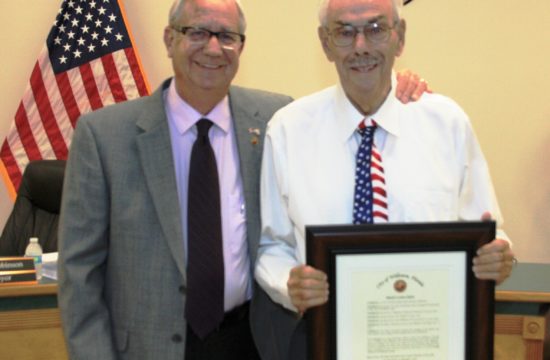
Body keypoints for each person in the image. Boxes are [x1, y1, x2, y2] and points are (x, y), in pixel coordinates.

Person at [57, 0, 427, 359]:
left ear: (241, 47)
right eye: (197, 32)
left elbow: (352, 118)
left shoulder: (277, 118)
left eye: (227, 36)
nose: (214, 48)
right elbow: (79, 275)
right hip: (147, 345)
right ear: (170, 39)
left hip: (253, 341)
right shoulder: (104, 136)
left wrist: (399, 88)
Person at [254, 0, 515, 359]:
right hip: (326, 338)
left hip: (431, 340)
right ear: (325, 44)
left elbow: (490, 232)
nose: (361, 46)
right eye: (344, 32)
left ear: (400, 37)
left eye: (375, 29)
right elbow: (272, 245)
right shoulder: (287, 131)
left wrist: (500, 257)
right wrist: (289, 283)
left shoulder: (446, 123)